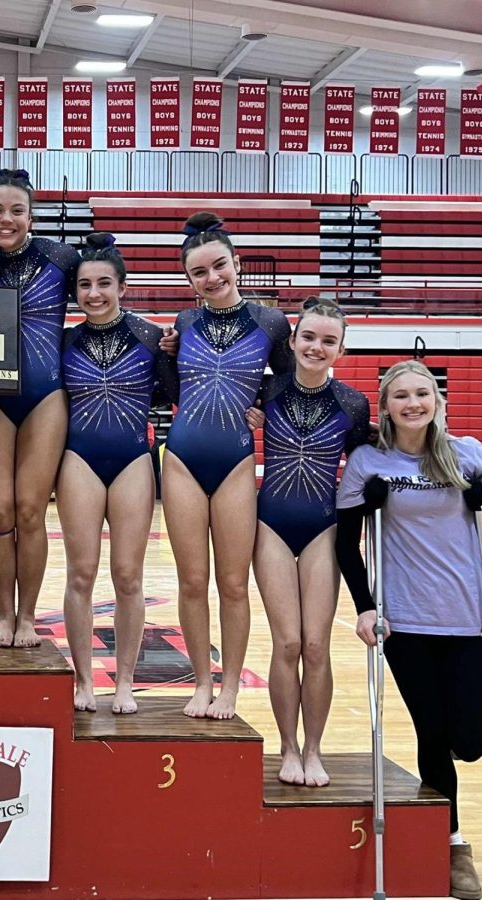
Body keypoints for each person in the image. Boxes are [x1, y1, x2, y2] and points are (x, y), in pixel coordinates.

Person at [335, 359, 482, 900]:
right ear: (386, 406)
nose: (413, 403)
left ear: (437, 401)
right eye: (400, 396)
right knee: (432, 735)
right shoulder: (368, 463)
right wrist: (366, 608)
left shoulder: (468, 454)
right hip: (405, 624)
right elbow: (348, 544)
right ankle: (452, 841)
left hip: (467, 620)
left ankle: (453, 815)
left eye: (422, 393)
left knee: (469, 740)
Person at [162, 211, 293, 719]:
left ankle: (231, 686)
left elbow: (287, 382)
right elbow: (174, 391)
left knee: (234, 583)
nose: (212, 278)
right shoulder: (185, 322)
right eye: (200, 273)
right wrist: (165, 358)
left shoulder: (270, 322)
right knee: (192, 581)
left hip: (237, 459)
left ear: (236, 263)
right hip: (183, 459)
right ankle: (200, 681)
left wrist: (262, 403)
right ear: (189, 281)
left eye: (219, 266)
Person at [57, 232, 177, 714]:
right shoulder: (65, 338)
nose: (94, 294)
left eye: (104, 283)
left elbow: (174, 394)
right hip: (78, 459)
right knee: (81, 573)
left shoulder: (151, 336)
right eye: (84, 285)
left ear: (122, 286)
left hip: (132, 458)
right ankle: (83, 679)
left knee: (128, 576)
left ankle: (124, 681)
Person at [253, 298, 369, 786]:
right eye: (309, 337)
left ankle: (315, 749)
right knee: (289, 642)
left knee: (317, 645)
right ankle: (287, 747)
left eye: (328, 341)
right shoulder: (266, 388)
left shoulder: (353, 404)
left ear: (341, 349)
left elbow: (367, 466)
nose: (316, 347)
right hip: (271, 526)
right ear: (293, 340)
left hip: (324, 529)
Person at [0, 168, 79, 649]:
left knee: (32, 510)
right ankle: (3, 615)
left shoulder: (61, 258)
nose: (6, 219)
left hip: (45, 394)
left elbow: (104, 296)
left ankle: (30, 617)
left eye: (17, 210)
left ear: (31, 215)